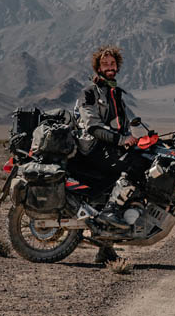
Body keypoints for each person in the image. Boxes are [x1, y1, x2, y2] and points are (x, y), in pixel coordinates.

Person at [75, 45, 137, 263]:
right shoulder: (89, 93)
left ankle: (105, 247)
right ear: (98, 67)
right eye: (105, 64)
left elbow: (123, 124)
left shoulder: (116, 92)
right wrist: (121, 140)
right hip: (93, 147)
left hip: (111, 146)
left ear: (117, 66)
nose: (109, 67)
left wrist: (133, 138)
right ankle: (111, 213)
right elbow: (92, 125)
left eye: (112, 64)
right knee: (132, 168)